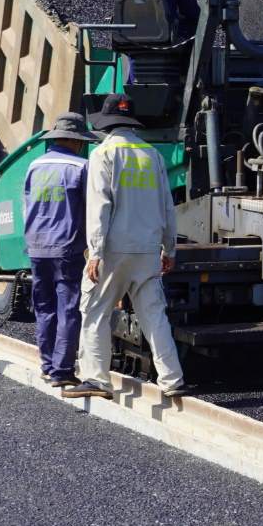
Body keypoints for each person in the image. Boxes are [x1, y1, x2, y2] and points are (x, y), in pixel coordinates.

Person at [63, 94, 186, 400]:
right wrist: (169, 249)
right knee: (154, 315)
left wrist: (95, 252)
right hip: (147, 249)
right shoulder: (152, 155)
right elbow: (167, 207)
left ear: (106, 124)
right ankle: (172, 379)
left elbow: (99, 207)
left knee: (94, 311)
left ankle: (96, 379)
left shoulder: (103, 154)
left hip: (113, 251)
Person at [23, 113, 98, 387]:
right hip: (67, 248)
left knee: (44, 307)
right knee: (68, 308)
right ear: (73, 140)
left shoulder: (34, 166)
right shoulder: (81, 167)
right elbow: (92, 211)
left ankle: (46, 364)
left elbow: (27, 207)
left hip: (36, 247)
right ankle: (62, 371)